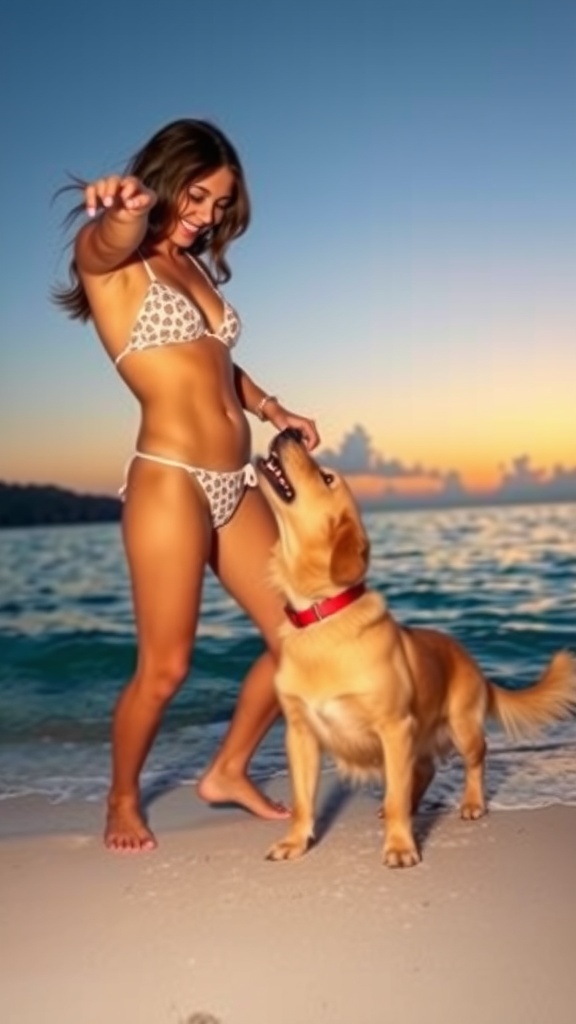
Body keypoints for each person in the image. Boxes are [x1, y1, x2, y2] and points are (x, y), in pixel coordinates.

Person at [54, 118, 319, 853]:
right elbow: (102, 240)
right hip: (170, 481)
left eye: (219, 206)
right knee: (166, 667)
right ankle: (121, 797)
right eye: (196, 196)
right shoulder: (113, 262)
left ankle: (228, 769)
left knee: (302, 634)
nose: (205, 216)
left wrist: (272, 408)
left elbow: (217, 362)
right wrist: (123, 210)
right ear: (164, 179)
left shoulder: (195, 268)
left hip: (238, 479)